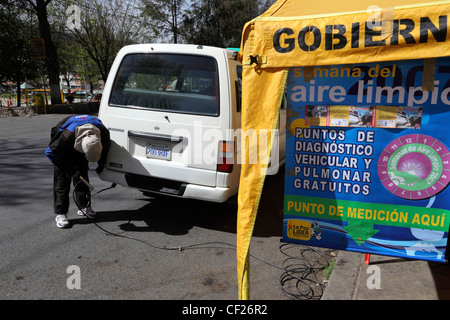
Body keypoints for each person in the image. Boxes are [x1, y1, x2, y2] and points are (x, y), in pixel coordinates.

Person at [45, 115, 110, 228]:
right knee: (62, 180)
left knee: (82, 174)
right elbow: (50, 153)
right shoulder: (66, 135)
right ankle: (61, 214)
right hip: (64, 148)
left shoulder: (103, 132)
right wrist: (69, 169)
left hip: (82, 140)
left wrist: (101, 164)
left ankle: (84, 206)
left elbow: (105, 148)